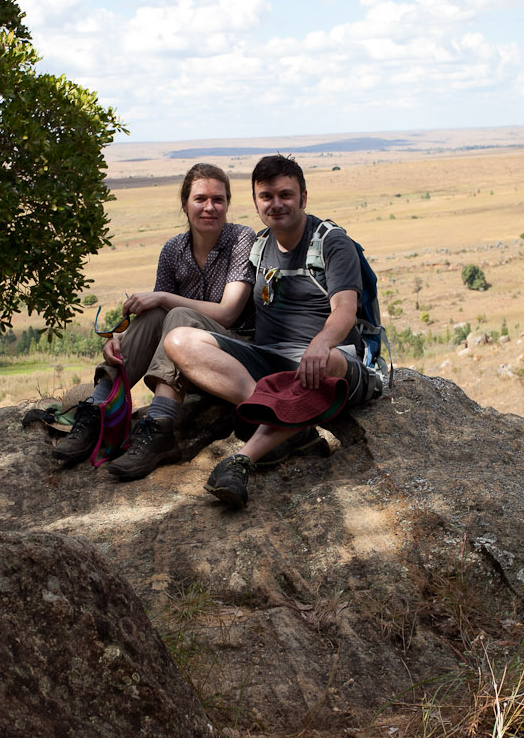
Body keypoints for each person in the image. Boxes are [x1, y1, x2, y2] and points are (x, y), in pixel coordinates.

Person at [160, 154, 385, 508]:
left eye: (285, 195)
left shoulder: (331, 242)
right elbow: (226, 307)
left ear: (303, 198)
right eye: (266, 196)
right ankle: (294, 428)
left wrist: (321, 343)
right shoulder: (259, 247)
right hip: (269, 362)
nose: (276, 204)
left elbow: (345, 308)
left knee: (322, 365)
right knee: (179, 340)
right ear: (255, 202)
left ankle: (240, 461)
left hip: (334, 362)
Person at [49, 163, 256, 474]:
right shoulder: (173, 250)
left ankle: (160, 427)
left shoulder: (242, 239)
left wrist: (163, 298)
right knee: (161, 312)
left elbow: (228, 313)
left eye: (219, 199)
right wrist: (121, 339)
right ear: (185, 204)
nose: (210, 207)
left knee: (177, 313)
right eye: (200, 199)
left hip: (233, 358)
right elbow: (154, 318)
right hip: (188, 362)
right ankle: (98, 412)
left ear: (228, 204)